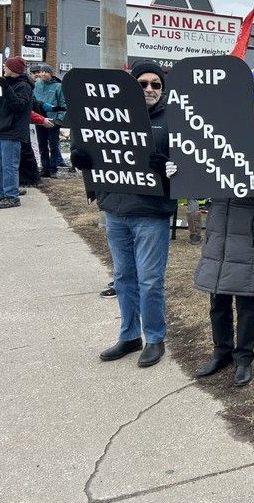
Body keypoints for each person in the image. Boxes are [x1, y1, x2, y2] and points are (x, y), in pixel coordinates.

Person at [69, 60, 175, 368]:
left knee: (150, 280)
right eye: (143, 83)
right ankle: (129, 335)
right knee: (123, 277)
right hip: (115, 210)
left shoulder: (173, 120)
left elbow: (187, 167)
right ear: (131, 87)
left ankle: (155, 338)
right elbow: (87, 147)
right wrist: (80, 158)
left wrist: (167, 168)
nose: (150, 89)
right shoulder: (107, 116)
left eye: (156, 84)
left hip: (151, 213)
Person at [186, 104, 254, 386]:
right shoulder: (218, 151)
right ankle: (221, 353)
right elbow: (197, 188)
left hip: (251, 241)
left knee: (247, 305)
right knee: (217, 301)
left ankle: (244, 359)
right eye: (248, 122)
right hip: (219, 237)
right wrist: (179, 173)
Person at [0, 57, 34, 209]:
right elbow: (4, 106)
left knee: (9, 166)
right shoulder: (8, 83)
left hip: (12, 132)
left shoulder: (24, 86)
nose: (4, 67)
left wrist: (6, 88)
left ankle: (12, 196)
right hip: (0, 130)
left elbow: (19, 106)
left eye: (7, 66)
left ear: (14, 69)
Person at [32, 64, 66, 178]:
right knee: (42, 145)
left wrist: (59, 119)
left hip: (53, 119)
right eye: (41, 72)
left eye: (46, 72)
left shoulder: (58, 86)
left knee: (53, 145)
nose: (43, 74)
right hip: (39, 119)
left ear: (51, 73)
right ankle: (45, 168)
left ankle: (53, 168)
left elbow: (63, 104)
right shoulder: (36, 85)